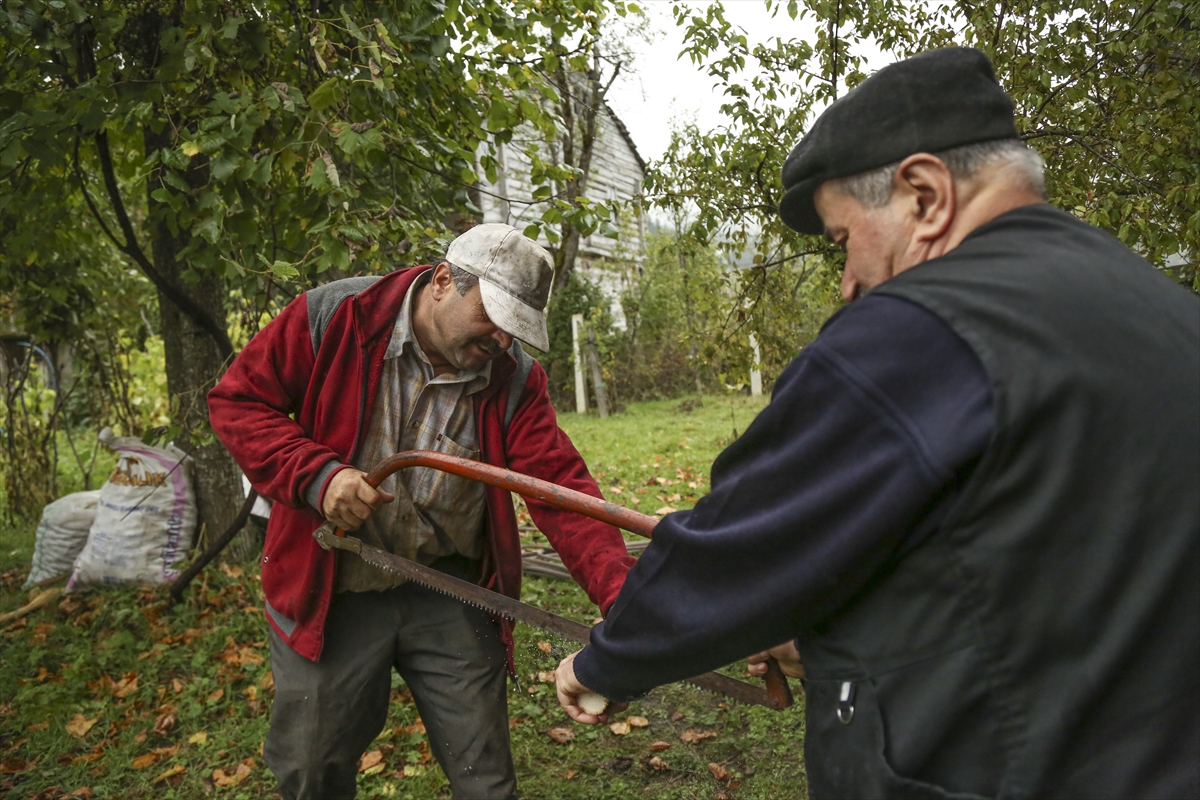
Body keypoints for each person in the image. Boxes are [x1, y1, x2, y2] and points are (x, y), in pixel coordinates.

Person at [554, 47, 1199, 799]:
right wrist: (838, 641)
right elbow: (1049, 570)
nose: (848, 280)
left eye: (842, 239)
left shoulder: (920, 329)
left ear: (924, 194)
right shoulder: (1164, 310)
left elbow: (743, 538)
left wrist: (607, 661)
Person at [208, 223, 634, 800]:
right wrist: (316, 476)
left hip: (449, 587)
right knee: (311, 772)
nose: (503, 344)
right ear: (441, 282)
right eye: (494, 321)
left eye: (516, 331)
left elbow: (563, 492)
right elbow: (238, 402)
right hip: (332, 586)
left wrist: (627, 605)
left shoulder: (512, 381)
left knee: (486, 781)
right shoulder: (334, 316)